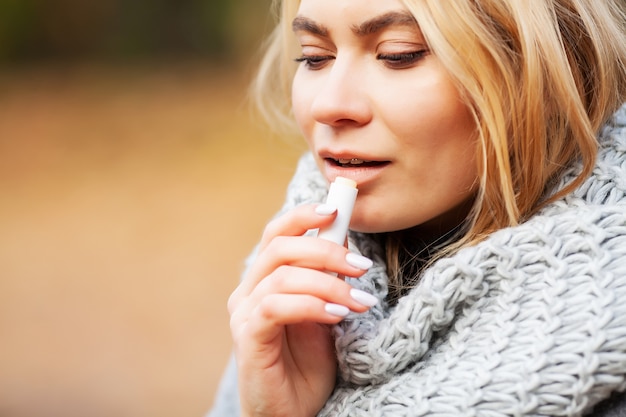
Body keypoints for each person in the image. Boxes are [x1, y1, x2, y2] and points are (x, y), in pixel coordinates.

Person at [209, 0, 626, 415]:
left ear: (546, 68)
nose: (329, 106)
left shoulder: (606, 309)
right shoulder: (287, 280)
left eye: (398, 55)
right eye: (315, 57)